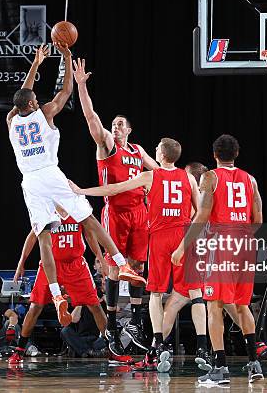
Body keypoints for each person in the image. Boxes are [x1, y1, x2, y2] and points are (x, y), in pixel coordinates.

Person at [6, 44, 144, 327]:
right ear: (32, 104)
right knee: (88, 218)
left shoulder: (10, 120)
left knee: (44, 235)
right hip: (49, 172)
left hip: (28, 181)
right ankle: (121, 263)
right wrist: (66, 59)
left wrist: (36, 63)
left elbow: (22, 96)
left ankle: (56, 295)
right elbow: (65, 92)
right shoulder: (43, 113)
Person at [71, 137, 207, 372]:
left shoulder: (150, 176)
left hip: (161, 238)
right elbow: (198, 213)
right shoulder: (188, 178)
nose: (153, 151)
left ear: (162, 155)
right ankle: (204, 347)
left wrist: (81, 190)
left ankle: (159, 345)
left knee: (155, 294)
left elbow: (114, 189)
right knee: (196, 294)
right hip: (184, 237)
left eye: (156, 149)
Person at [72, 58, 157, 355]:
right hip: (116, 212)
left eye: (120, 124)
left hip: (140, 213)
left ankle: (135, 321)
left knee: (138, 266)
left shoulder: (138, 150)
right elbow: (92, 118)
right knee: (113, 268)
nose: (115, 127)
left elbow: (159, 173)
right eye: (114, 125)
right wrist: (81, 86)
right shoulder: (107, 145)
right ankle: (110, 324)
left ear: (130, 129)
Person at [172, 135, 264, 384]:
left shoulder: (210, 177)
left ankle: (221, 369)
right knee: (243, 306)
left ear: (214, 155)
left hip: (223, 244)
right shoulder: (251, 180)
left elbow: (201, 216)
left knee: (215, 305)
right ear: (236, 154)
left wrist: (182, 247)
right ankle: (254, 364)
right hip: (246, 244)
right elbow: (258, 221)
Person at [184, 162, 267, 361]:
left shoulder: (206, 191)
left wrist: (182, 248)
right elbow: (257, 221)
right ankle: (253, 350)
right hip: (241, 246)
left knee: (210, 303)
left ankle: (214, 359)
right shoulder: (246, 180)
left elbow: (199, 221)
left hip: (216, 250)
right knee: (234, 302)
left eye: (187, 177)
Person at [8, 211, 111, 364]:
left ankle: (112, 347)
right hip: (51, 265)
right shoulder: (46, 210)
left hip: (76, 265)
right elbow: (32, 236)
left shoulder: (76, 208)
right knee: (35, 307)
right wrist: (21, 262)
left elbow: (90, 235)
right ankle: (20, 350)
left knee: (95, 305)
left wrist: (101, 260)